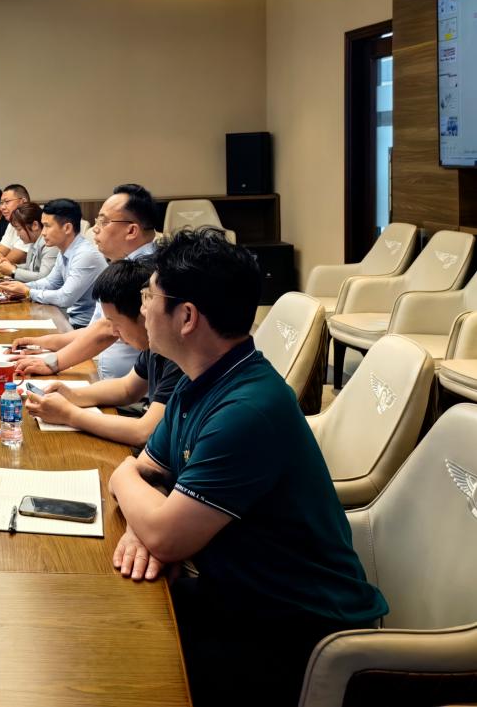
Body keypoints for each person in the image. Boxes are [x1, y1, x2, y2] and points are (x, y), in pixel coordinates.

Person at [108, 229, 387, 707]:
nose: (143, 307)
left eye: (149, 296)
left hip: (297, 627)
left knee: (121, 668)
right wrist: (144, 520)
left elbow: (158, 522)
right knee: (111, 622)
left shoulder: (246, 410)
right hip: (238, 595)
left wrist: (128, 487)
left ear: (187, 317)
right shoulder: (200, 380)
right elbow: (150, 472)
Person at [22, 257, 180, 447]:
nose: (112, 331)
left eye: (116, 323)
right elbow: (127, 388)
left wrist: (69, 414)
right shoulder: (153, 346)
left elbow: (144, 433)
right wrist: (72, 396)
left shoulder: (177, 355)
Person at [10, 183, 159, 379]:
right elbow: (95, 329)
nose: (95, 229)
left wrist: (53, 361)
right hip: (104, 376)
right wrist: (43, 343)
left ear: (131, 231)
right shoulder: (122, 264)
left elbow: (105, 331)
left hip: (124, 390)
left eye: (104, 222)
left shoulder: (146, 272)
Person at [0, 198, 105, 326]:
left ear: (67, 228)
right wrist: (19, 287)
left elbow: (65, 298)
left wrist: (27, 291)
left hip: (83, 326)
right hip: (69, 319)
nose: (43, 233)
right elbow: (51, 282)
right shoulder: (64, 250)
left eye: (47, 226)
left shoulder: (84, 255)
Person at [0, 201, 59, 283]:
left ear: (35, 225)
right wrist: (12, 266)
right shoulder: (33, 241)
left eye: (19, 229)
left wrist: (13, 271)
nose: (18, 234)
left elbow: (44, 278)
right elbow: (30, 267)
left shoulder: (50, 244)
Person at [0, 183, 30, 265]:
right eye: (1, 203)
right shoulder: (12, 224)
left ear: (23, 202)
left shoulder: (31, 224)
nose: (2, 207)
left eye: (7, 202)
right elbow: (0, 252)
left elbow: (6, 262)